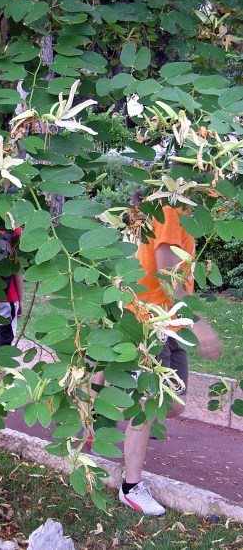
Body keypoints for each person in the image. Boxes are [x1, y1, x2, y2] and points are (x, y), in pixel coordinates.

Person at [119, 200, 222, 516]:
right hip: (148, 320)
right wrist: (201, 326)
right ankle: (131, 486)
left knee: (174, 404)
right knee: (147, 405)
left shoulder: (188, 212)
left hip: (171, 324)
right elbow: (166, 271)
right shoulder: (171, 210)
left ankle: (105, 399)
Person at [0, 226, 24, 347]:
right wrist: (21, 300)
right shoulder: (13, 230)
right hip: (6, 297)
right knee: (4, 345)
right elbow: (17, 267)